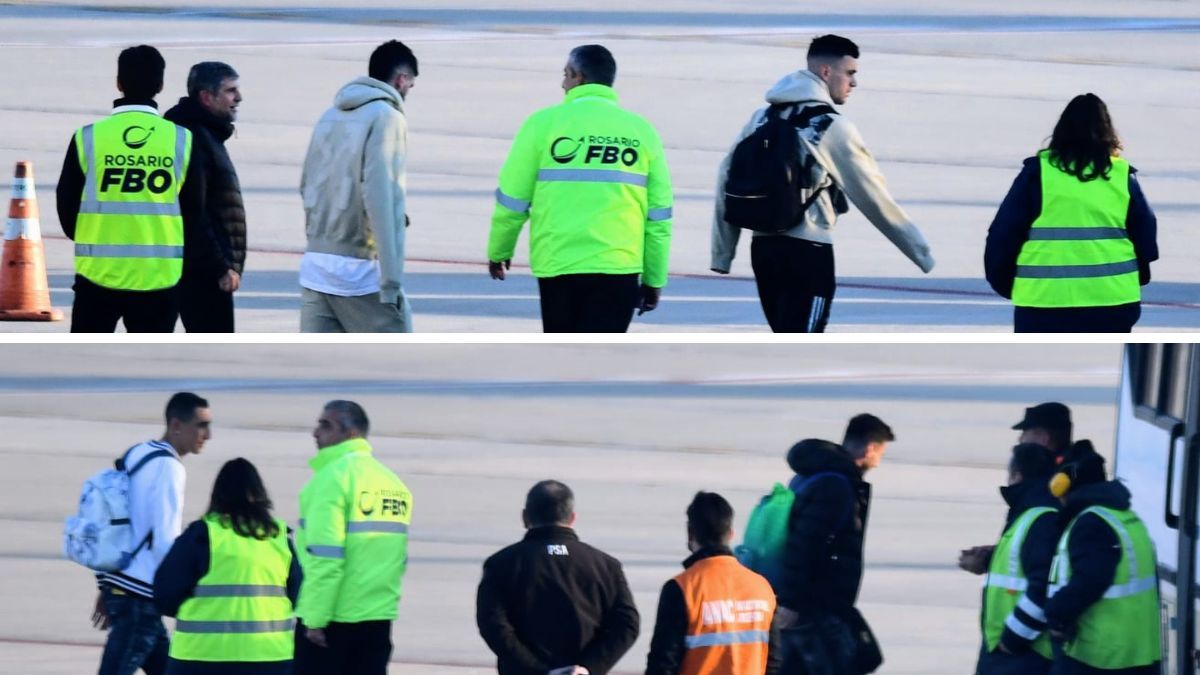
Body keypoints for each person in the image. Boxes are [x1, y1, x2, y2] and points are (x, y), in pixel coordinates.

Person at [711, 34, 935, 333]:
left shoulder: (761, 118)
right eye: (850, 73)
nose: (853, 83)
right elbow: (873, 197)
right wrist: (920, 252)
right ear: (826, 72)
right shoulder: (832, 126)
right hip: (808, 252)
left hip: (763, 252)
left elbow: (726, 179)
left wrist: (722, 253)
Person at [487, 44, 674, 332]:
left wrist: (499, 250)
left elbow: (513, 200)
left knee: (564, 362)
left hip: (559, 262)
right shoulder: (642, 131)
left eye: (565, 75)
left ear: (579, 77)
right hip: (619, 265)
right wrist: (654, 278)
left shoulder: (541, 125)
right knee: (600, 366)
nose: (562, 84)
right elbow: (658, 216)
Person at [56, 45, 224, 332]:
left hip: (97, 274)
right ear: (160, 85)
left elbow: (67, 204)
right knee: (149, 366)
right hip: (158, 277)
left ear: (118, 83)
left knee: (84, 366)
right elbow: (194, 210)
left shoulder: (88, 137)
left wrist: (90, 235)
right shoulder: (180, 140)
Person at [984, 93, 1158, 333]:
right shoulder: (1122, 177)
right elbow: (1146, 238)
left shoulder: (1038, 175)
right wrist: (1130, 281)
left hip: (1043, 302)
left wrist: (1007, 283)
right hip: (1112, 301)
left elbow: (1003, 234)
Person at [299, 40, 418, 332]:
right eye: (411, 86)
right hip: (359, 272)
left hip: (316, 267)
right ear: (401, 79)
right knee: (398, 363)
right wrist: (391, 283)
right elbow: (381, 196)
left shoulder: (329, 115)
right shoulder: (388, 118)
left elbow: (307, 184)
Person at [93, 392, 212, 675]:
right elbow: (165, 539)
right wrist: (184, 590)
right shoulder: (170, 467)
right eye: (201, 425)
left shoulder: (138, 453)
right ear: (176, 426)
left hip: (125, 586)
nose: (208, 435)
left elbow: (118, 523)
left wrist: (108, 584)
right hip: (139, 597)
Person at [294, 400, 413, 675]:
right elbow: (397, 559)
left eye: (326, 425)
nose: (315, 432)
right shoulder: (394, 485)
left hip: (334, 620)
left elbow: (326, 558)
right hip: (378, 619)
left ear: (351, 434)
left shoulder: (332, 480)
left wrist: (315, 619)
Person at [153, 458, 302, 674]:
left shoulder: (202, 534)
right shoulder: (279, 538)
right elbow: (298, 595)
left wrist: (203, 610)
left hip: (201, 657)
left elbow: (164, 595)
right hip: (269, 657)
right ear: (259, 494)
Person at [476, 480, 640, 674]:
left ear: (525, 517)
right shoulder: (606, 565)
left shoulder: (501, 564)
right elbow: (627, 624)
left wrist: (537, 670)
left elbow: (493, 625)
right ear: (572, 518)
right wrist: (590, 667)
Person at [775, 414, 893, 673]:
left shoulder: (814, 475)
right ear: (870, 448)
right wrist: (791, 603)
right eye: (880, 453)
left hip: (812, 602)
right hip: (816, 606)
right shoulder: (835, 486)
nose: (878, 462)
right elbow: (804, 544)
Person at [1043, 441, 1161, 674]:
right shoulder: (1124, 517)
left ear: (1065, 485)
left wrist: (1056, 614)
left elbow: (1091, 579)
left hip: (1101, 657)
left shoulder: (1092, 523)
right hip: (1138, 654)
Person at [645, 491, 781, 675]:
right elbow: (773, 661)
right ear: (731, 534)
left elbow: (662, 665)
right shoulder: (762, 588)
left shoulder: (682, 589)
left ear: (691, 534)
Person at [961, 443, 1060, 675]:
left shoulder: (1040, 519)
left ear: (1017, 475)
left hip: (1022, 657)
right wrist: (987, 560)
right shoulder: (1031, 513)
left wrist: (1011, 641)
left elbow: (1042, 588)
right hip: (1012, 654)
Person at [164, 62, 246, 332]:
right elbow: (193, 211)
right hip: (201, 272)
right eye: (230, 91)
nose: (239, 98)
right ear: (206, 97)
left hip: (195, 266)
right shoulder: (195, 139)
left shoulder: (203, 133)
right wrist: (220, 267)